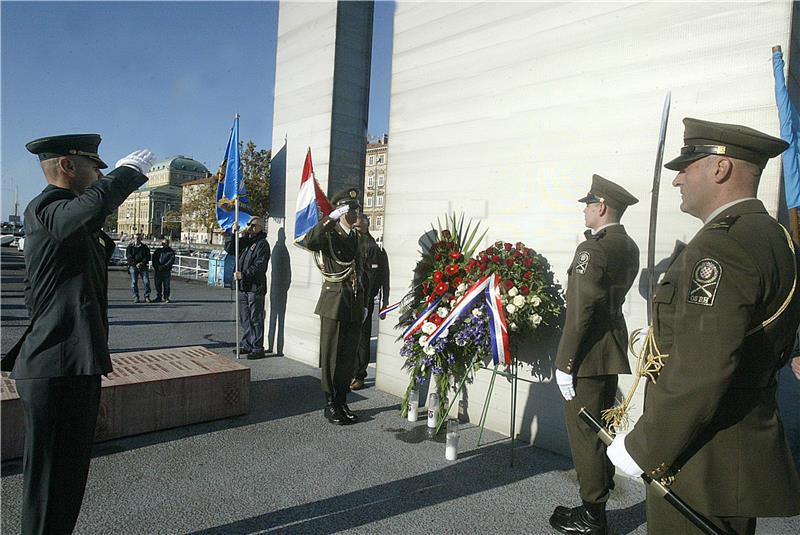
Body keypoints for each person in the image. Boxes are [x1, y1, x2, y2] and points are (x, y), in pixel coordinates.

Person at [606, 118, 800, 535]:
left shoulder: (722, 247)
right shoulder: (772, 236)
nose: (677, 180)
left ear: (720, 168)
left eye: (688, 165)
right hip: (735, 451)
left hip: (702, 456)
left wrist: (642, 447)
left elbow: (701, 371)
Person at [0, 134, 154, 535]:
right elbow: (82, 213)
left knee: (66, 480)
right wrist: (125, 174)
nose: (98, 172)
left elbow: (88, 219)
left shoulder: (69, 216)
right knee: (50, 483)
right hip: (56, 364)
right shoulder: (48, 208)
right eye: (94, 165)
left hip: (70, 362)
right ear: (68, 166)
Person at [550, 174, 640, 535]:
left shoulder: (592, 249)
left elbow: (581, 309)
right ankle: (598, 497)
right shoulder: (628, 246)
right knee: (603, 428)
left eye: (589, 204)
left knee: (585, 433)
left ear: (602, 206)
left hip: (585, 355)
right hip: (609, 350)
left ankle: (592, 515)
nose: (585, 210)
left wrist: (564, 363)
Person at [305, 187, 365, 425]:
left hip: (353, 303)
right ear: (341, 211)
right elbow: (309, 241)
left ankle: (342, 400)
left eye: (356, 209)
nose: (355, 213)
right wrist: (329, 218)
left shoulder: (355, 236)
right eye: (350, 210)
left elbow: (360, 271)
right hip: (334, 302)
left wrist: (365, 303)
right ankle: (330, 404)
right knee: (331, 357)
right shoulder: (329, 234)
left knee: (347, 357)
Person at [351, 214, 390, 390]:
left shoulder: (372, 248)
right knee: (349, 338)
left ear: (366, 227)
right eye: (354, 228)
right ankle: (350, 372)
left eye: (358, 228)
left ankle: (359, 375)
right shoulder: (351, 243)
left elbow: (376, 278)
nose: (356, 231)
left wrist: (373, 302)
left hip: (363, 299)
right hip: (349, 298)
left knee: (362, 339)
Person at [224, 216, 270, 360]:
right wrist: (234, 233)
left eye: (253, 225)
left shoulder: (263, 244)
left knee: (255, 318)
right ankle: (247, 344)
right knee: (245, 318)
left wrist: (243, 274)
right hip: (243, 286)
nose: (250, 227)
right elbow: (230, 249)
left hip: (254, 287)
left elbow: (260, 266)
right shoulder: (246, 242)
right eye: (249, 224)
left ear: (261, 227)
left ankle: (257, 347)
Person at [267, 227, 291, 356]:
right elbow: (287, 271)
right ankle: (276, 348)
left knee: (274, 318)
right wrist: (286, 285)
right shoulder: (282, 249)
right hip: (280, 288)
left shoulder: (277, 249)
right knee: (278, 319)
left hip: (276, 288)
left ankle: (273, 347)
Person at [126, 232, 151, 303]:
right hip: (133, 267)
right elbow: (128, 257)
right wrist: (135, 264)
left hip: (143, 266)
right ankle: (136, 296)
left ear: (141, 239)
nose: (137, 239)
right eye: (136, 238)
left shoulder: (144, 247)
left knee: (146, 282)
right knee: (134, 282)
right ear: (133, 238)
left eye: (138, 238)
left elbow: (147, 256)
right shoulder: (130, 247)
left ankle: (147, 296)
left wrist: (142, 263)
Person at [151, 237, 175, 303]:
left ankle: (166, 297)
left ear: (168, 244)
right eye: (163, 243)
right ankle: (159, 296)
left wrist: (164, 266)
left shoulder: (171, 252)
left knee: (166, 285)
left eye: (166, 243)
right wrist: (157, 266)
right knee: (157, 284)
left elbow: (171, 261)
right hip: (158, 270)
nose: (164, 244)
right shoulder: (158, 251)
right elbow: (154, 259)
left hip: (166, 270)